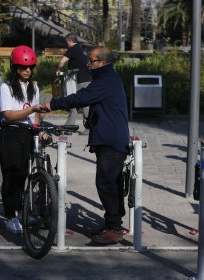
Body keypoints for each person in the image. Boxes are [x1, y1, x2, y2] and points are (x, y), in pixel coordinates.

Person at [43, 46, 130, 244]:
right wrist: (92, 120)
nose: (88, 64)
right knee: (112, 183)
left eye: (92, 61)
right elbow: (104, 105)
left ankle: (114, 228)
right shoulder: (106, 79)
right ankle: (112, 224)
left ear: (103, 62)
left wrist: (52, 104)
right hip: (111, 138)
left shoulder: (105, 81)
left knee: (107, 183)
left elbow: (81, 97)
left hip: (111, 140)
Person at [0, 45, 46, 234]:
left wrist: (38, 129)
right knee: (12, 175)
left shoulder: (33, 86)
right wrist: (31, 110)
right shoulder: (6, 87)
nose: (27, 71)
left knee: (23, 175)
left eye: (30, 67)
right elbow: (8, 114)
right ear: (14, 67)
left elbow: (36, 114)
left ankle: (21, 211)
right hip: (11, 133)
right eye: (23, 67)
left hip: (27, 134)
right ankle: (10, 216)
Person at [56, 33, 91, 134]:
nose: (66, 44)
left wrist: (58, 69)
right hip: (86, 79)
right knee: (85, 104)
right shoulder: (82, 49)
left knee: (73, 103)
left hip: (78, 80)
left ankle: (69, 128)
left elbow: (62, 61)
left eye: (67, 42)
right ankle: (86, 128)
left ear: (70, 41)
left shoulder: (73, 49)